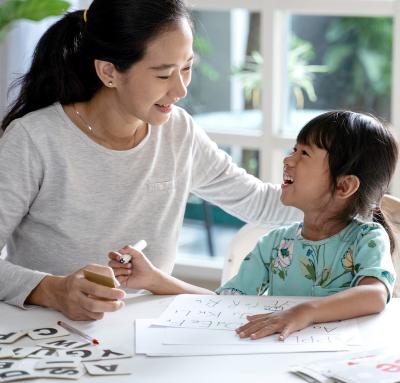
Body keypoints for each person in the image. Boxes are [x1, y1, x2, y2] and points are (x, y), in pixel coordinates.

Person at [0, 0, 398, 321]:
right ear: (108, 72)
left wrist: (361, 201)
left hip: (152, 324)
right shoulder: (35, 139)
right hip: (47, 329)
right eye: (163, 74)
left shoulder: (177, 131)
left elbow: (260, 202)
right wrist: (52, 289)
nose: (181, 88)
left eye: (188, 68)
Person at [109, 111, 399, 340]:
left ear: (345, 185)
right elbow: (223, 303)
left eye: (304, 154)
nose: (288, 159)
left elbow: (374, 295)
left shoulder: (367, 239)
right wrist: (154, 280)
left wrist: (305, 312)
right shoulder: (275, 245)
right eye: (293, 149)